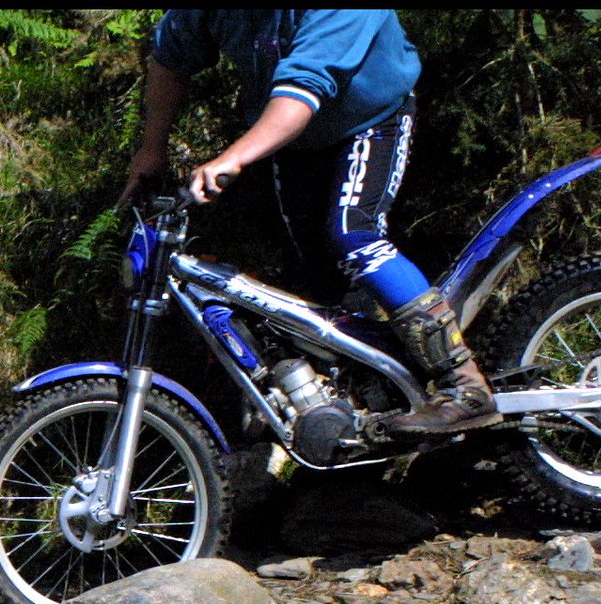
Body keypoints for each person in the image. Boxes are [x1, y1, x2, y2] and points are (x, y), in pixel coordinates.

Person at [117, 10, 497, 438]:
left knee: (354, 236)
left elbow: (303, 89)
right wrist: (152, 149)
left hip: (369, 120)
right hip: (292, 135)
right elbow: (171, 56)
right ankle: (365, 398)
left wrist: (232, 158)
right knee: (314, 269)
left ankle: (464, 385)